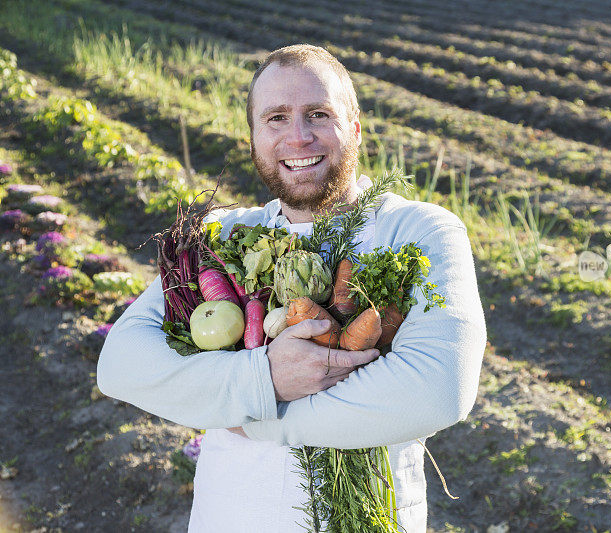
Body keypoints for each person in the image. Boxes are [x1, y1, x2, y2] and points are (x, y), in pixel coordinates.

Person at [97, 44, 486, 532]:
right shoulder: (222, 239)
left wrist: (259, 415)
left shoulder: (417, 231)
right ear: (254, 138)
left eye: (318, 114)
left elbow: (438, 390)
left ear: (357, 127)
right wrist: (266, 378)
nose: (298, 137)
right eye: (276, 118)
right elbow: (121, 365)